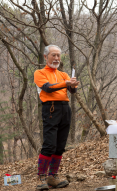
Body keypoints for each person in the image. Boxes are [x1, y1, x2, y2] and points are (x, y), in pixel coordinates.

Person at [34, 45, 79, 188]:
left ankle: (52, 177)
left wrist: (72, 85)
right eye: (53, 55)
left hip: (65, 109)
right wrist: (66, 83)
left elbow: (72, 91)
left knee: (60, 145)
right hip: (51, 109)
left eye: (58, 55)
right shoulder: (39, 73)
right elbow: (47, 88)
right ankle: (41, 178)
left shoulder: (64, 74)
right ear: (46, 57)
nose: (56, 58)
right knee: (49, 144)